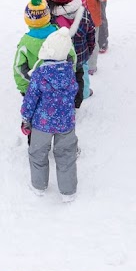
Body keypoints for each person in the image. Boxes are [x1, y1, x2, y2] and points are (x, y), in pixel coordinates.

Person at [22, 27, 80, 201]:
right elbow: (74, 92)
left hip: (42, 124)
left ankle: (39, 186)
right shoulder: (70, 72)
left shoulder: (39, 74)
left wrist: (26, 117)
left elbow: (31, 98)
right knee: (66, 155)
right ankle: (68, 192)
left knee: (38, 153)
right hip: (66, 123)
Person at [14, 0, 70, 98]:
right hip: (59, 86)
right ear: (47, 15)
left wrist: (26, 88)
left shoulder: (25, 43)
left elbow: (19, 68)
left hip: (36, 87)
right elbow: (71, 57)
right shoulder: (60, 36)